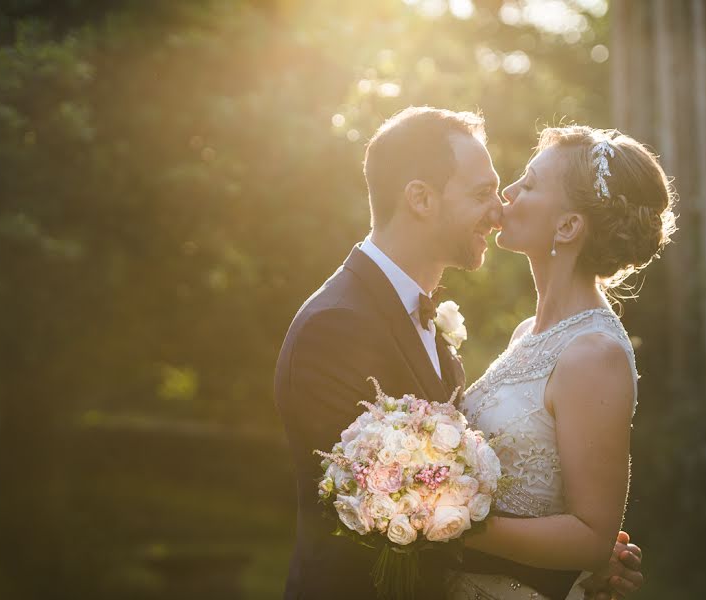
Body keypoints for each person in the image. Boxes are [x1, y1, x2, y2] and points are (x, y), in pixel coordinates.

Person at [274, 107, 645, 600]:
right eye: (482, 192)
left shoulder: (576, 350)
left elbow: (565, 518)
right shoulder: (338, 327)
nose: (500, 204)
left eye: (520, 186)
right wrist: (569, 567)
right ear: (421, 199)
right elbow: (370, 507)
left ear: (569, 225)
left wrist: (583, 558)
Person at [447, 124, 675, 599]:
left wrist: (446, 519)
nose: (507, 193)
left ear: (569, 227)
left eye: (528, 185)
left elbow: (592, 538)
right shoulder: (527, 334)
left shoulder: (595, 355)